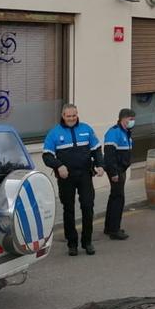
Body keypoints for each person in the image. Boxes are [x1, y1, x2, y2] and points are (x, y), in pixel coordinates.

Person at [43, 104, 105, 256]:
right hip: (66, 177)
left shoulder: (86, 129)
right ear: (63, 116)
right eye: (68, 116)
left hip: (85, 175)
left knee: (87, 206)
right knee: (68, 209)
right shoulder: (54, 133)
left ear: (77, 115)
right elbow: (47, 156)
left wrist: (100, 165)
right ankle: (72, 244)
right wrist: (59, 166)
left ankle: (87, 242)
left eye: (74, 115)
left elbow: (96, 149)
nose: (71, 118)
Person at [102, 109, 136, 241]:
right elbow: (109, 156)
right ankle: (114, 230)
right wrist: (113, 173)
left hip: (121, 169)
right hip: (116, 171)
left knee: (114, 197)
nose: (132, 122)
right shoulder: (114, 133)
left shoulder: (126, 133)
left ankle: (109, 227)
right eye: (130, 119)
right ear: (123, 119)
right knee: (118, 199)